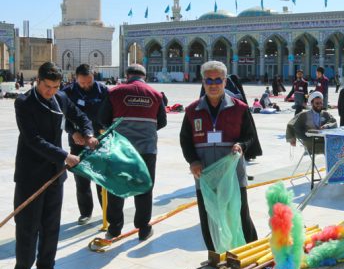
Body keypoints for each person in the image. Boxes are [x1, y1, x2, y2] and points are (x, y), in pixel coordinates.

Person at [13, 62, 97, 269]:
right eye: (47, 86)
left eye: (55, 86)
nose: (51, 91)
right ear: (37, 81)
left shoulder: (60, 98)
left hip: (54, 174)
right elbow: (33, 139)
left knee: (51, 226)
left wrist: (88, 134)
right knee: (28, 228)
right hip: (31, 175)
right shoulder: (24, 102)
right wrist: (65, 156)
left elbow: (79, 115)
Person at [180, 61, 258, 251]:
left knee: (239, 215)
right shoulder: (192, 110)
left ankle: (250, 251)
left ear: (224, 81)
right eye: (209, 80)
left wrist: (241, 145)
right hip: (205, 175)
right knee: (208, 217)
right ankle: (214, 255)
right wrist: (193, 161)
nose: (213, 84)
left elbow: (250, 136)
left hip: (233, 176)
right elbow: (185, 139)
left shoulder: (239, 108)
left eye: (218, 80)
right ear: (203, 82)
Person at [98, 64, 167, 241]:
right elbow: (162, 122)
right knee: (144, 187)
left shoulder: (115, 92)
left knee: (116, 186)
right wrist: (146, 131)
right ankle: (143, 228)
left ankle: (114, 229)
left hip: (120, 150)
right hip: (147, 150)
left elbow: (102, 119)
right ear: (145, 76)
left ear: (127, 75)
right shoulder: (156, 95)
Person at [62, 64, 109, 225]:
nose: (86, 86)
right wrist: (72, 132)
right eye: (82, 83)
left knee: (101, 179)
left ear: (93, 77)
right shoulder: (67, 92)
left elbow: (110, 113)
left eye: (89, 82)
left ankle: (107, 213)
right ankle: (85, 213)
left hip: (99, 141)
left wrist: (102, 131)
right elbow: (63, 118)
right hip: (78, 141)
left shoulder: (103, 91)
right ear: (76, 79)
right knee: (81, 180)